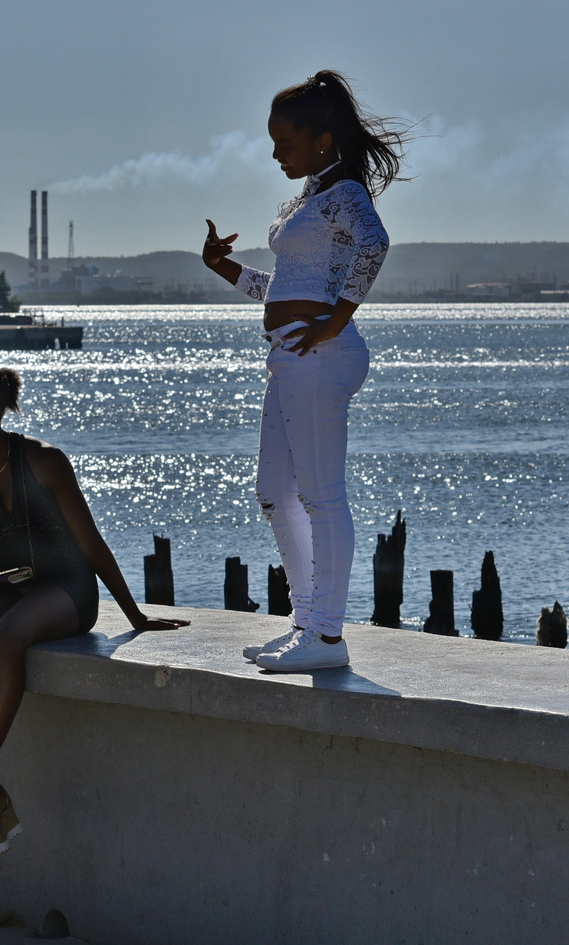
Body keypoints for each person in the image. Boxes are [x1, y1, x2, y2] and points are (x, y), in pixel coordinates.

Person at [0, 349, 187, 859]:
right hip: (6, 582)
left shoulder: (44, 460)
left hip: (66, 588)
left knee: (11, 638)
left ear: (0, 401)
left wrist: (134, 616)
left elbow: (90, 543)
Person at [202, 70, 405, 672]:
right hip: (291, 352)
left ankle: (325, 636)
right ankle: (306, 624)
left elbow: (375, 245)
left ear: (320, 139)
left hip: (319, 354)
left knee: (320, 496)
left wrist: (338, 320)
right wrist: (225, 269)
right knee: (274, 494)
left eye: (284, 143)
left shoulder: (344, 193)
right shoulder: (313, 198)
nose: (274, 153)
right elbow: (282, 289)